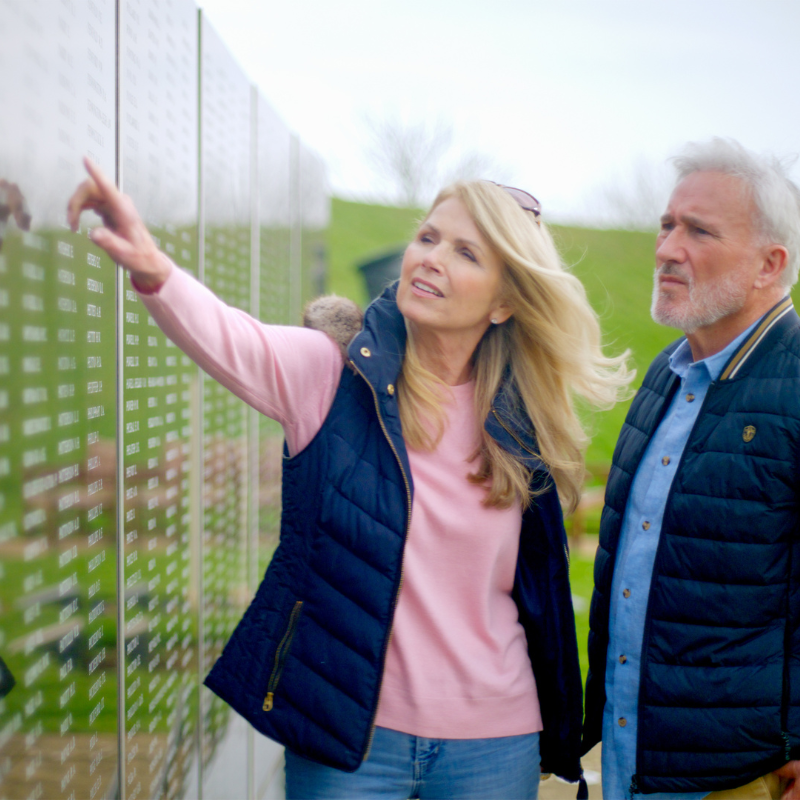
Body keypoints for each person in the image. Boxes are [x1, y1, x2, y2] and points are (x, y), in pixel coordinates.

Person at [68, 160, 631, 799]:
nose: (431, 259)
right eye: (427, 238)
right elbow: (232, 338)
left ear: (505, 301)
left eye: (466, 252)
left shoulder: (525, 420)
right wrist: (151, 267)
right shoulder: (333, 376)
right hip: (351, 738)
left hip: (493, 739)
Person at [583, 138, 800, 800]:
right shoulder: (665, 378)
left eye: (698, 231)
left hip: (742, 778)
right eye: (666, 225)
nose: (667, 248)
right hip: (635, 761)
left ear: (770, 264)